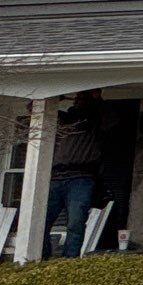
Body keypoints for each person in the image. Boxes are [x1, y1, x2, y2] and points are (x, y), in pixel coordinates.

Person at [46, 92, 103, 258]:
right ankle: (40, 258)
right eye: (77, 99)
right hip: (56, 176)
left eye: (82, 99)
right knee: (41, 222)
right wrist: (54, 98)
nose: (78, 102)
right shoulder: (65, 120)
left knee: (75, 223)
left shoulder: (95, 120)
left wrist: (97, 99)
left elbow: (111, 119)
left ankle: (69, 260)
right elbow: (33, 108)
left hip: (81, 177)